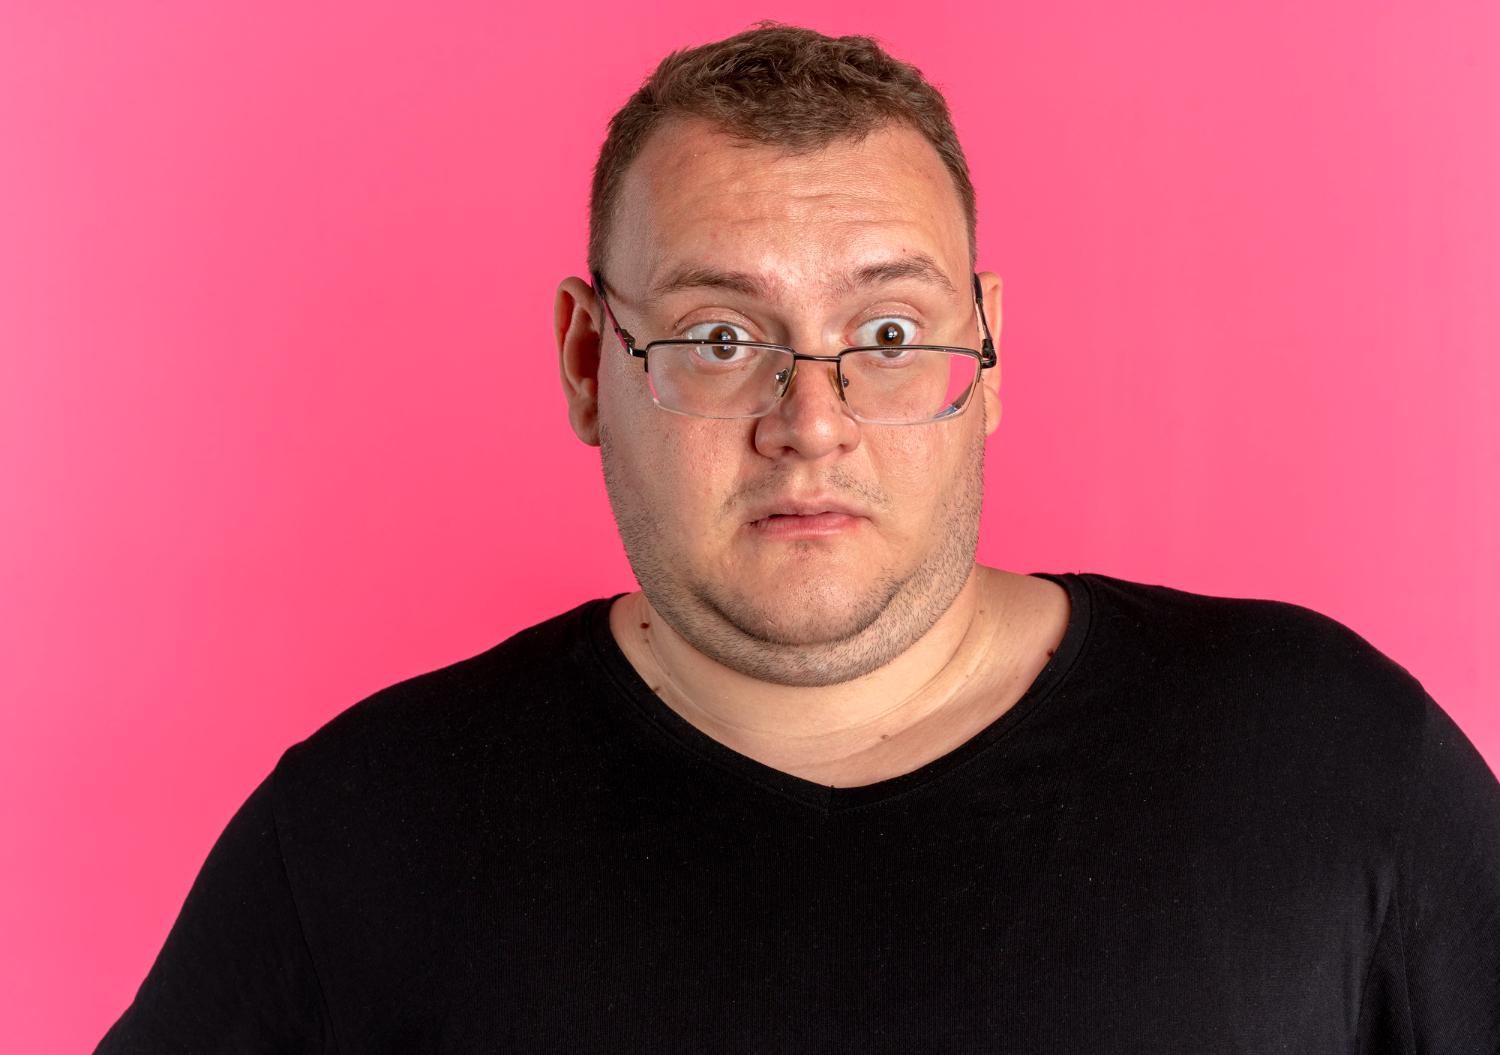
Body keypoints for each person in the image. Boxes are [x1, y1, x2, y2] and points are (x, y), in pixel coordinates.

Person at [96, 22, 1500, 1054]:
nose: (810, 422)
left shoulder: (1330, 760)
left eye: (886, 333)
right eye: (720, 338)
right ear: (588, 362)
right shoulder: (362, 831)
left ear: (986, 353)